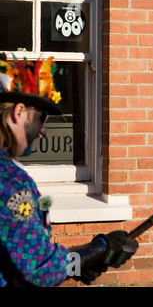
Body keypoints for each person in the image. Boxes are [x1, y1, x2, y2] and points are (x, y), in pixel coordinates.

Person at [0, 55, 138, 287]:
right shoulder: (10, 181)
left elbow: (20, 258)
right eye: (41, 118)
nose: (43, 131)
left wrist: (77, 264)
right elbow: (37, 269)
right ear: (19, 112)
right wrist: (100, 249)